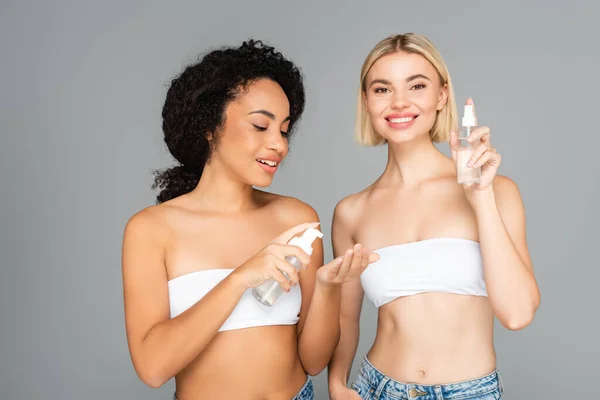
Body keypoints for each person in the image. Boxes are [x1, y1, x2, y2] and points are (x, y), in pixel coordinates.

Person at [121, 39, 378, 400]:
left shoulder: (297, 219)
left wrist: (327, 289)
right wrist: (241, 277)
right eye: (261, 126)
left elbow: (313, 360)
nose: (280, 145)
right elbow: (152, 367)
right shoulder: (151, 229)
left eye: (284, 130)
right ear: (209, 126)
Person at [328, 33, 540, 400]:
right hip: (376, 389)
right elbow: (345, 319)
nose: (399, 103)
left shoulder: (497, 190)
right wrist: (336, 384)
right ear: (366, 101)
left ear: (442, 95)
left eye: (417, 86)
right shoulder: (351, 212)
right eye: (382, 89)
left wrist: (480, 196)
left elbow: (517, 314)